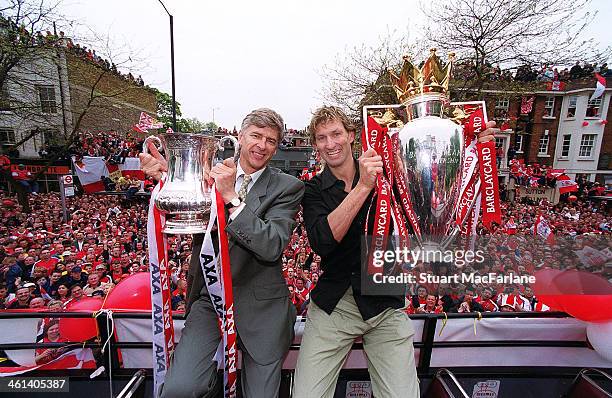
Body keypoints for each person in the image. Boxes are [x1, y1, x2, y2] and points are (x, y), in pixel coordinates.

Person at [294, 106, 497, 397]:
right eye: (322, 137)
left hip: (385, 303)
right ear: (315, 144)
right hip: (334, 306)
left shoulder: (393, 172)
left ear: (352, 135)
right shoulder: (313, 189)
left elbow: (435, 185)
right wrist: (364, 186)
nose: (330, 143)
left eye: (336, 133)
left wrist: (473, 149)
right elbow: (323, 241)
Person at [140, 108, 304, 398]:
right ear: (240, 137)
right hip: (209, 299)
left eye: (271, 140)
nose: (262, 145)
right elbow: (182, 224)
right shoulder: (205, 174)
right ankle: (211, 387)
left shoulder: (287, 186)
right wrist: (168, 180)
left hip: (262, 307)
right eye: (255, 135)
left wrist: (231, 197)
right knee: (180, 390)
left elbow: (272, 245)